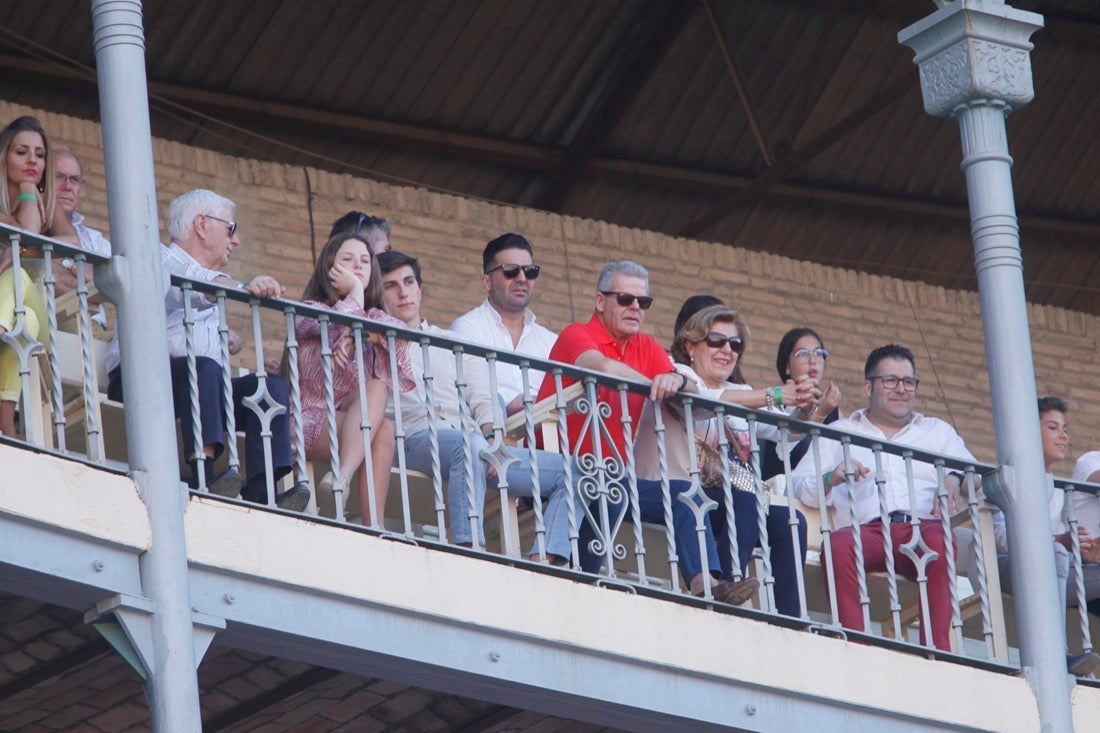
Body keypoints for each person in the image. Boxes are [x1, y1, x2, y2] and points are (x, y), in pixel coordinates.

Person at [534, 260, 753, 603]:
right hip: (565, 472)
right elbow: (604, 368)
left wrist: (679, 380)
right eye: (625, 299)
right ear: (599, 301)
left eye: (643, 302)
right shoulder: (577, 333)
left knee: (687, 495)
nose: (635, 307)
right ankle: (566, 591)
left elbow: (692, 401)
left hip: (617, 479)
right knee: (583, 560)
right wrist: (658, 383)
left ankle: (707, 587)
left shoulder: (647, 348)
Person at [105, 189, 310, 510]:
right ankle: (204, 473)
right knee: (204, 368)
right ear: (201, 224)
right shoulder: (157, 257)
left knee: (269, 387)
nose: (236, 240)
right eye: (231, 228)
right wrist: (243, 286)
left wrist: (227, 339)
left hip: (194, 388)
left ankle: (263, 488)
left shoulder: (211, 281)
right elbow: (188, 287)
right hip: (140, 381)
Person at [377, 250, 574, 561]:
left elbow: (484, 399)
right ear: (378, 294)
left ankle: (543, 561)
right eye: (390, 286)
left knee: (572, 471)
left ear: (420, 289)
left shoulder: (452, 342)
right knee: (466, 446)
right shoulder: (374, 346)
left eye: (409, 282)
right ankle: (470, 552)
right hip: (413, 441)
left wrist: (493, 442)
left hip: (476, 446)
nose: (403, 292)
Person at [791, 344, 972, 651]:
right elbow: (797, 483)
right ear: (868, 386)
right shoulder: (839, 431)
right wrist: (831, 477)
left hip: (921, 529)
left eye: (908, 382)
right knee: (837, 545)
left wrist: (955, 478)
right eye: (890, 381)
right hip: (867, 533)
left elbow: (973, 472)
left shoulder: (937, 431)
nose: (901, 389)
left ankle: (938, 654)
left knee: (942, 539)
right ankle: (858, 647)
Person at [634, 304, 808, 614]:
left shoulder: (740, 390)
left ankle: (788, 618)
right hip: (665, 492)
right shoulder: (677, 372)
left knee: (789, 521)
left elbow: (789, 430)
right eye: (716, 341)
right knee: (742, 499)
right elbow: (704, 402)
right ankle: (725, 586)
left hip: (712, 500)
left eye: (735, 344)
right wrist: (776, 394)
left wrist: (810, 404)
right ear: (690, 345)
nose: (726, 350)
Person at [293, 233, 412, 526]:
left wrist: (362, 332)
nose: (358, 267)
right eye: (348, 260)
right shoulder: (309, 310)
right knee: (381, 426)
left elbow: (401, 342)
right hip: (309, 420)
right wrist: (355, 292)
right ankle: (347, 487)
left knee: (381, 413)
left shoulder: (377, 316)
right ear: (329, 266)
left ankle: (348, 488)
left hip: (352, 425)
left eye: (364, 262)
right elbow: (336, 321)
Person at [985, 398, 1100, 676]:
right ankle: (1056, 654)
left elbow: (1064, 543)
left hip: (1051, 572)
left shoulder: (1060, 492)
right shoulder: (1005, 477)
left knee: (1063, 557)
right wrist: (1060, 543)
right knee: (1057, 553)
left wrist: (1086, 553)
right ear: (1026, 430)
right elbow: (1000, 538)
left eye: (1065, 429)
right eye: (1053, 427)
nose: (1063, 436)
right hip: (1003, 565)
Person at [0, 115, 78, 436]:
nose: (33, 159)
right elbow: (27, 234)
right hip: (26, 323)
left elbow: (72, 243)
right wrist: (30, 197)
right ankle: (6, 426)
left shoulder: (49, 200)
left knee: (17, 278)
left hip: (37, 326)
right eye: (22, 152)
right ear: (3, 156)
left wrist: (32, 191)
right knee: (26, 320)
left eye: (40, 154)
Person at [450, 233, 557, 415]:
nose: (522, 278)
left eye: (530, 271)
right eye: (511, 270)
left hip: (547, 438)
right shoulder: (466, 329)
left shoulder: (551, 341)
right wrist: (514, 405)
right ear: (487, 282)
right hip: (490, 437)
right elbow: (468, 396)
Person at [761, 327, 843, 480]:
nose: (813, 361)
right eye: (803, 354)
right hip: (783, 496)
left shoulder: (833, 410)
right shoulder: (773, 403)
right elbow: (787, 455)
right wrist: (820, 414)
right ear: (787, 366)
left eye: (819, 353)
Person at [50, 149, 111, 299]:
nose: (68, 186)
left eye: (75, 180)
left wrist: (65, 263)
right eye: (59, 176)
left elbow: (113, 285)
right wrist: (86, 272)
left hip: (93, 320)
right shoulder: (30, 224)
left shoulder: (94, 239)